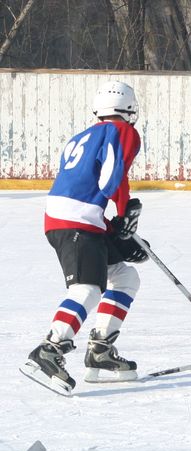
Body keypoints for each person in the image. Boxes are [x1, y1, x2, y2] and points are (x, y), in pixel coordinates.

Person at [20, 81, 147, 396]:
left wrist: (115, 229)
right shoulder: (124, 131)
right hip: (77, 221)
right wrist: (124, 213)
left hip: (72, 218)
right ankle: (49, 349)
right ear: (130, 109)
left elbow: (87, 182)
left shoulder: (81, 137)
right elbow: (111, 178)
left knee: (125, 277)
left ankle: (100, 352)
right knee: (87, 289)